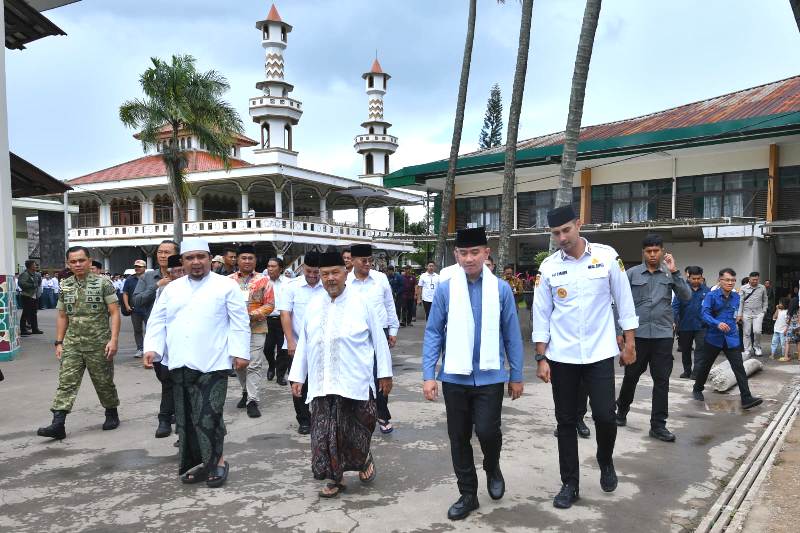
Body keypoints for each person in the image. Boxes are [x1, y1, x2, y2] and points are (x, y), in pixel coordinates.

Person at [532, 205, 638, 510]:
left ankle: (605, 459)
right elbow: (541, 315)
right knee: (565, 421)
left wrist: (630, 343)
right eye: (556, 233)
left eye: (566, 230)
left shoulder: (606, 257)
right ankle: (570, 483)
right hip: (562, 356)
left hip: (599, 353)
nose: (562, 238)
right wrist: (541, 357)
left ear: (579, 224)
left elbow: (624, 300)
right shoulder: (549, 268)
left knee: (605, 415)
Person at [423, 226, 524, 521]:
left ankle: (492, 466)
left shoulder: (501, 289)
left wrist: (516, 375)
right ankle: (468, 494)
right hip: (455, 376)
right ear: (456, 255)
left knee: (488, 432)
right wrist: (429, 374)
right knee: (458, 437)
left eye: (475, 252)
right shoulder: (446, 289)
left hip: (490, 375)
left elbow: (512, 335)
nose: (469, 258)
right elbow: (433, 332)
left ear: (486, 253)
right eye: (463, 253)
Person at [143, 237, 250, 488]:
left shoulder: (226, 286)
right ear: (182, 261)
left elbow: (239, 321)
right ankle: (203, 464)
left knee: (209, 416)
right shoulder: (172, 289)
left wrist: (240, 352)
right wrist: (152, 348)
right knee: (188, 419)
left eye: (201, 257)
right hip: (180, 362)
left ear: (210, 259)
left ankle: (218, 462)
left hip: (214, 362)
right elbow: (157, 320)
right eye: (190, 258)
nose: (196, 262)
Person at [289, 252, 393, 498]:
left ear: (345, 273)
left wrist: (385, 374)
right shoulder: (314, 305)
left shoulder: (362, 302)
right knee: (325, 434)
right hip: (321, 381)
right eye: (325, 274)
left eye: (335, 272)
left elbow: (379, 340)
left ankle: (363, 458)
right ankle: (335, 478)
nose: (330, 278)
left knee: (358, 430)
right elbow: (304, 343)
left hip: (354, 380)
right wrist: (298, 376)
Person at [37, 246, 122, 440]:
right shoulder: (65, 285)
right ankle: (58, 423)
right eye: (73, 261)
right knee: (66, 382)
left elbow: (115, 312)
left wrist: (114, 340)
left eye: (81, 260)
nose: (78, 264)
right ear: (68, 264)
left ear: (89, 261)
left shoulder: (103, 283)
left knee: (104, 382)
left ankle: (111, 412)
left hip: (99, 343)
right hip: (72, 344)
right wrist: (59, 342)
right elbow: (62, 315)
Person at [615, 234, 690, 443]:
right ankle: (621, 411)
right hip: (637, 336)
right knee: (631, 376)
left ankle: (658, 425)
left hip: (662, 336)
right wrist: (619, 332)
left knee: (662, 381)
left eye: (656, 250)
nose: (653, 254)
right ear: (643, 253)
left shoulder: (669, 274)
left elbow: (686, 297)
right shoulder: (630, 274)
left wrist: (675, 271)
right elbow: (619, 303)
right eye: (649, 251)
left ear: (662, 251)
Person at [346, 244, 400, 434]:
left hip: (380, 333)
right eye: (364, 261)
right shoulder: (346, 281)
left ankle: (382, 414)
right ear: (353, 261)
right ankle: (356, 414)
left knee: (381, 373)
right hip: (354, 334)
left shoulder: (380, 279)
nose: (368, 264)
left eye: (370, 260)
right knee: (356, 373)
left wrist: (393, 330)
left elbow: (389, 304)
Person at [692, 268, 763, 410]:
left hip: (731, 338)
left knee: (739, 367)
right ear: (720, 280)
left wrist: (737, 319)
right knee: (705, 365)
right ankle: (697, 388)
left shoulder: (736, 296)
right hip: (714, 337)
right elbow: (704, 314)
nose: (730, 283)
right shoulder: (711, 296)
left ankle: (746, 398)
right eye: (727, 280)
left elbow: (735, 313)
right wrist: (717, 323)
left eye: (733, 280)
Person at [133, 239, 180, 438]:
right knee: (164, 376)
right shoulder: (148, 276)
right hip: (157, 335)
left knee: (172, 379)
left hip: (179, 335)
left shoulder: (183, 275)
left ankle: (167, 417)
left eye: (167, 252)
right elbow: (137, 300)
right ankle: (173, 411)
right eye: (160, 251)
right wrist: (157, 286)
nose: (162, 255)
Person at [279, 252, 323, 434]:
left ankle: (321, 417)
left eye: (316, 272)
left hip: (322, 344)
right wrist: (290, 341)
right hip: (296, 344)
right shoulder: (291, 286)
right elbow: (285, 314)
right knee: (298, 383)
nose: (312, 275)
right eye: (309, 271)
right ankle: (304, 419)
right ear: (303, 268)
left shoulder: (327, 286)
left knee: (321, 382)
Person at [229, 244, 275, 418]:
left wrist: (250, 316)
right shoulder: (228, 281)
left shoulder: (264, 281)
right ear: (237, 260)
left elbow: (270, 304)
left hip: (257, 328)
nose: (247, 261)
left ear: (255, 260)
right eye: (244, 258)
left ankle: (252, 400)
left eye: (250, 258)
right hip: (235, 330)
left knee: (254, 364)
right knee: (239, 364)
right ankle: (245, 391)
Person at [673, 266, 710, 379]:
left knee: (700, 350)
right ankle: (687, 371)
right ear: (688, 277)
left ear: (702, 277)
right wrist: (673, 321)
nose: (696, 281)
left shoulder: (707, 291)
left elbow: (711, 308)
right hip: (685, 325)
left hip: (702, 326)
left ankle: (696, 372)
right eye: (693, 278)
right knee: (686, 350)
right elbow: (675, 307)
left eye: (698, 278)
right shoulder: (682, 290)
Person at [263, 257, 290, 385]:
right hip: (267, 320)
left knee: (282, 349)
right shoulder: (263, 282)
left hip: (283, 319)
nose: (270, 269)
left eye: (273, 266)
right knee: (267, 348)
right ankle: (271, 364)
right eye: (268, 266)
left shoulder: (288, 283)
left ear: (280, 269)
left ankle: (280, 375)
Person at [737, 272, 769, 358]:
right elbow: (740, 302)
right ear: (749, 279)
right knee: (746, 333)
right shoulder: (743, 288)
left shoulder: (762, 287)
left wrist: (764, 310)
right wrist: (739, 314)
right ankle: (747, 350)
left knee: (757, 331)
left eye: (757, 279)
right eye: (753, 279)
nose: (755, 281)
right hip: (746, 313)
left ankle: (757, 347)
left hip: (758, 313)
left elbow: (765, 299)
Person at [122, 260, 147, 358]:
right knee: (137, 330)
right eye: (136, 266)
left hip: (148, 308)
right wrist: (127, 305)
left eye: (140, 267)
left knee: (151, 330)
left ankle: (150, 348)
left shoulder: (149, 278)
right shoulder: (129, 279)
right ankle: (140, 349)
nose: (137, 268)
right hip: (135, 309)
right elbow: (125, 293)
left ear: (144, 268)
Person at [18, 260, 43, 335]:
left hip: (34, 296)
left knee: (33, 313)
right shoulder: (25, 274)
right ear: (30, 266)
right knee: (26, 313)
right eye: (34, 265)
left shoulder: (35, 274)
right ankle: (23, 330)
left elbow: (38, 283)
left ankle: (35, 329)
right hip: (27, 295)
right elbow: (21, 284)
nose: (36, 266)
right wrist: (32, 285)